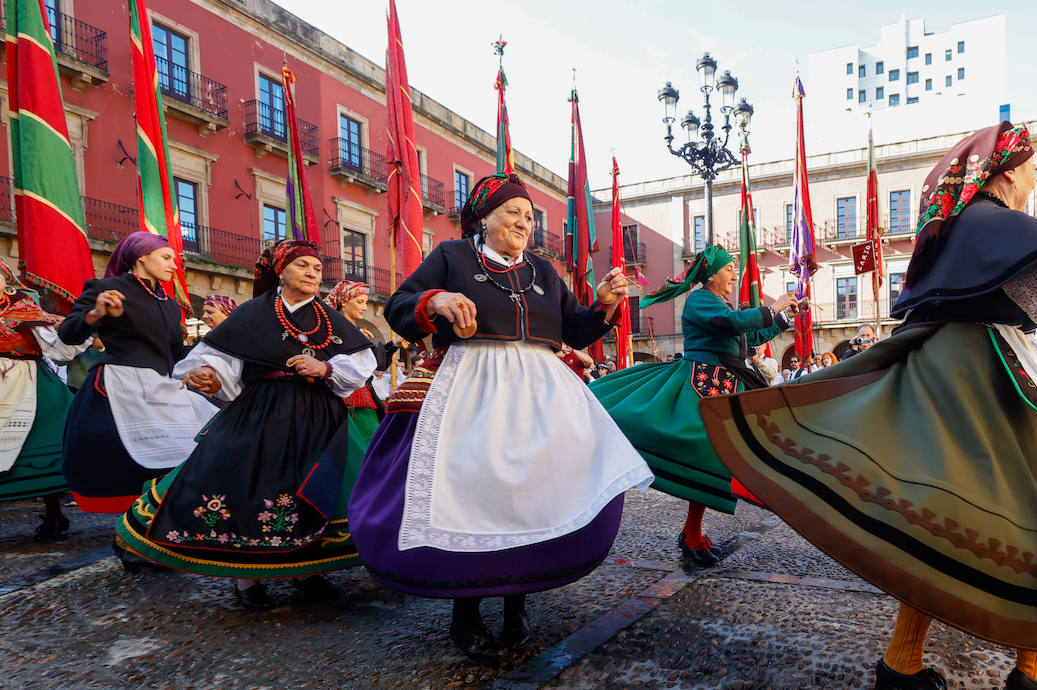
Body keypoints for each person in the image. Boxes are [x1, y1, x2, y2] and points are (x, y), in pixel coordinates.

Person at [700, 121, 1037, 690]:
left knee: (961, 517)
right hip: (974, 377)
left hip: (970, 369)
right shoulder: (991, 224)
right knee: (998, 515)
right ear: (1004, 171)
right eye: (1031, 168)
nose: (1036, 177)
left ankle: (1001, 661)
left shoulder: (963, 229)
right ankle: (998, 663)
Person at [348, 173, 651, 662]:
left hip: (538, 393)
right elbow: (402, 306)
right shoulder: (452, 256)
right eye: (513, 212)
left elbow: (574, 326)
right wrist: (439, 300)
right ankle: (465, 613)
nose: (524, 223)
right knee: (473, 494)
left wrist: (605, 303)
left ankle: (517, 605)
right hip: (470, 387)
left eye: (529, 217)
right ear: (484, 216)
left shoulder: (545, 272)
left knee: (532, 495)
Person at [113, 240, 375, 605]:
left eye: (317, 269)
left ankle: (309, 570)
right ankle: (246, 580)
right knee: (246, 486)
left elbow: (361, 363)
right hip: (261, 411)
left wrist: (326, 367)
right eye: (302, 266)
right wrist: (209, 375)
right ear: (280, 272)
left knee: (313, 487)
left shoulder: (331, 319)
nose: (313, 274)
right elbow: (217, 357)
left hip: (318, 414)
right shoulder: (254, 313)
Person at [592, 245, 805, 566]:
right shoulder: (700, 299)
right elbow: (732, 323)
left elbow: (751, 332)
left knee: (707, 464)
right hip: (699, 386)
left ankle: (692, 533)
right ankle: (687, 533)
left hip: (721, 387)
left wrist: (786, 315)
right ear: (712, 274)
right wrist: (773, 306)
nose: (735, 273)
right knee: (702, 455)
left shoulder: (719, 301)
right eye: (730, 267)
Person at [57, 232, 218, 519]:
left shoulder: (169, 304)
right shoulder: (106, 288)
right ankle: (131, 531)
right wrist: (95, 313)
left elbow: (175, 353)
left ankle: (162, 522)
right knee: (128, 462)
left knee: (190, 445)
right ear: (141, 257)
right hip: (120, 386)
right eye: (166, 258)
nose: (173, 265)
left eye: (174, 260)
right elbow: (69, 333)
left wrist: (201, 365)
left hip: (160, 386)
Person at [0, 260, 88, 540]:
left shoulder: (25, 308)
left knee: (45, 447)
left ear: (6, 280)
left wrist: (79, 330)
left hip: (30, 384)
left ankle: (54, 514)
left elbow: (58, 349)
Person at [325, 280, 388, 441]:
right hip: (339, 397)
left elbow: (378, 365)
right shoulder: (330, 331)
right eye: (360, 302)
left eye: (365, 303)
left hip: (364, 397)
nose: (365, 307)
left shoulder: (358, 332)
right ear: (344, 302)